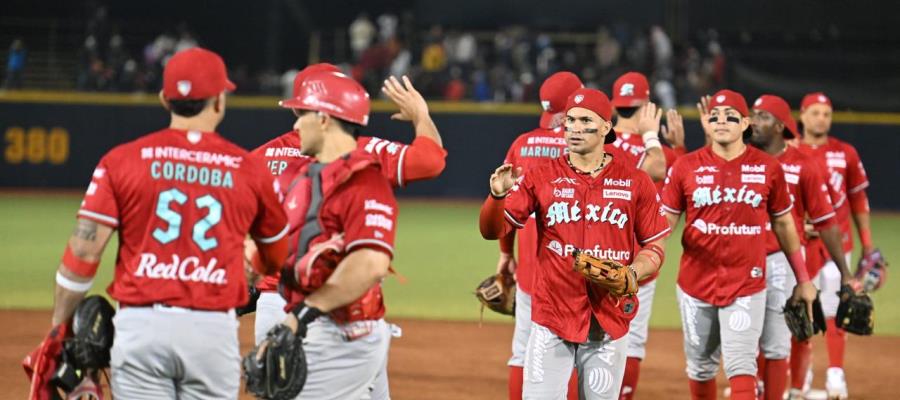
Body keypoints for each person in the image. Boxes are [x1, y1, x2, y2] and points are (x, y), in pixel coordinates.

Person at [44, 47, 289, 399]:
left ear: (163, 99)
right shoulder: (249, 169)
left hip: (141, 327)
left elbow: (83, 251)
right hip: (211, 329)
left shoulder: (121, 161)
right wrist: (246, 270)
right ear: (220, 101)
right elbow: (277, 255)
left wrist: (59, 330)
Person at [254, 72, 435, 399]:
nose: (294, 126)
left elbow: (370, 266)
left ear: (323, 118)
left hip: (343, 330)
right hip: (306, 320)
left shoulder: (364, 180)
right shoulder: (301, 176)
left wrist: (299, 315)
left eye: (302, 113)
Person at [480, 88, 671, 399]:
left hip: (608, 320)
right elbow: (492, 230)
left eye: (585, 121)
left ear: (606, 127)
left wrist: (633, 273)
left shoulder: (635, 181)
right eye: (570, 121)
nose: (575, 128)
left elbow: (655, 247)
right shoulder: (540, 176)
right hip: (551, 316)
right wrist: (497, 197)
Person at [660, 89, 818, 400]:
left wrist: (803, 279)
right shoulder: (686, 167)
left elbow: (785, 224)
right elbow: (664, 222)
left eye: (730, 116)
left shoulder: (768, 168)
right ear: (706, 122)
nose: (721, 121)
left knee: (741, 364)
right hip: (694, 284)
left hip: (747, 283)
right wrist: (643, 262)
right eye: (714, 116)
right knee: (700, 368)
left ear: (745, 123)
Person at [748, 94, 856, 400]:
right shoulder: (742, 159)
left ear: (781, 125)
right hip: (747, 259)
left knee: (796, 329)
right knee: (747, 332)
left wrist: (846, 272)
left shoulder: (802, 165)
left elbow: (825, 218)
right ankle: (752, 385)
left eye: (763, 116)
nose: (754, 121)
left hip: (789, 260)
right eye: (753, 115)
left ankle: (796, 389)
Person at [494, 70, 584, 400]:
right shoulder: (582, 146)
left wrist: (506, 254)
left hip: (531, 271)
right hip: (572, 270)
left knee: (522, 350)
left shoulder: (521, 145)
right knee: (574, 354)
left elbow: (504, 205)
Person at [607, 71, 686, 400]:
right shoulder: (664, 156)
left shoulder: (598, 145)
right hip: (640, 265)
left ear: (614, 107)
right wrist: (678, 146)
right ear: (648, 107)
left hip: (593, 256)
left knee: (581, 336)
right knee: (631, 340)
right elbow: (683, 194)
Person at [793, 92, 877, 400]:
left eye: (826, 113)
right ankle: (802, 375)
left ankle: (835, 376)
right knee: (800, 313)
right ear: (802, 116)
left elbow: (858, 199)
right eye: (815, 112)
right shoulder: (790, 152)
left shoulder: (845, 153)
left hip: (838, 244)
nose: (821, 119)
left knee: (837, 309)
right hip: (800, 245)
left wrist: (867, 246)